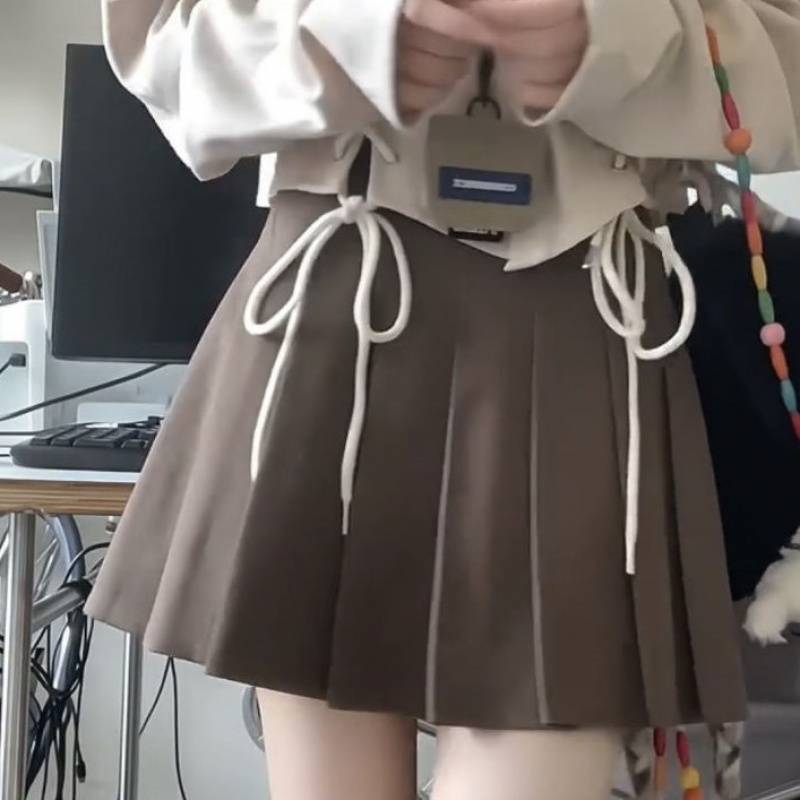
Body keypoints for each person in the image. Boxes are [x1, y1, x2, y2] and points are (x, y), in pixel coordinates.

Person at [87, 1, 800, 798]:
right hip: (336, 287)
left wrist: (620, 38)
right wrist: (338, 40)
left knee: (540, 751)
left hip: (585, 299)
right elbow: (159, 47)